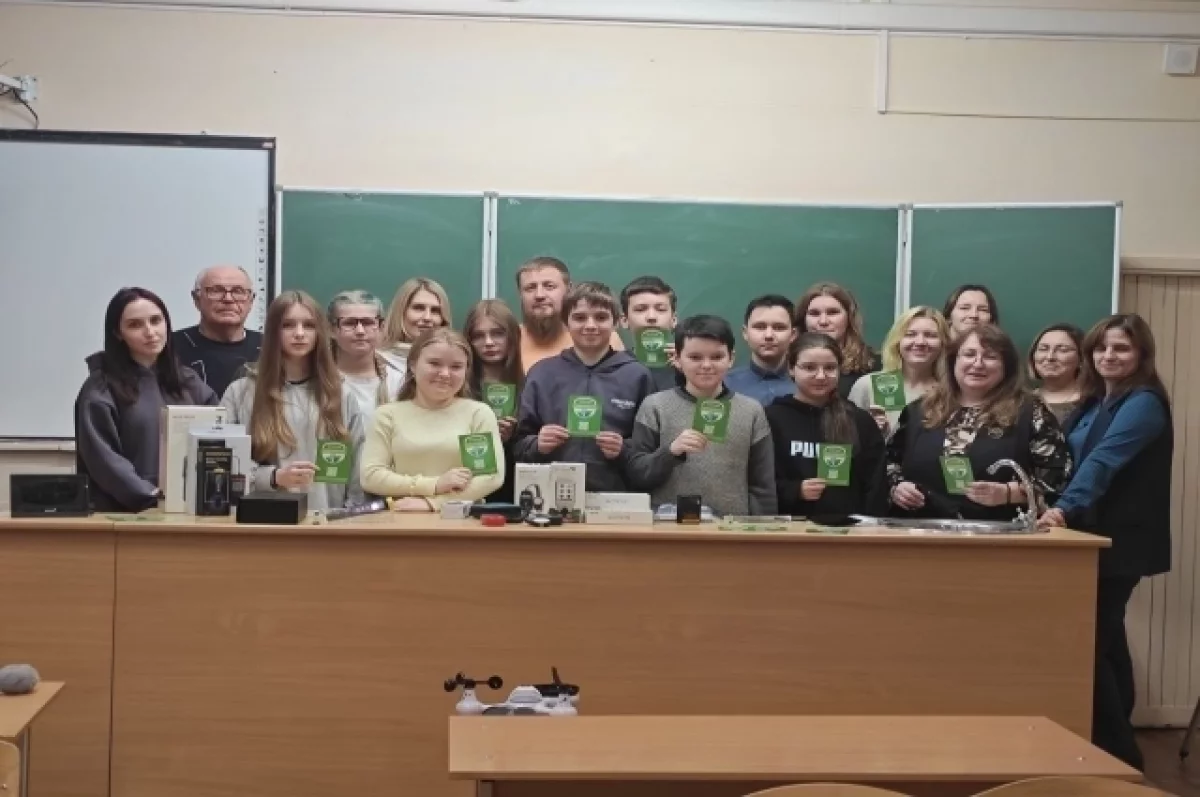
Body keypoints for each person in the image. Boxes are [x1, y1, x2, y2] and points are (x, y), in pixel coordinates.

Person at [1039, 314, 1172, 771]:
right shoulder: (1097, 401)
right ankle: (1122, 752)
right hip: (1087, 538)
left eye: (1121, 348)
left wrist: (1062, 509)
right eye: (1101, 348)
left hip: (1119, 542)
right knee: (1108, 641)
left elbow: (1102, 461)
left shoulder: (1143, 402)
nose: (1108, 356)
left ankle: (1118, 756)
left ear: (1141, 354)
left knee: (1086, 645)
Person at [887, 324, 1070, 521]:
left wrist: (1009, 493)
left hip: (999, 531)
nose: (978, 363)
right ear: (953, 361)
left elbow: (1058, 479)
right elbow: (888, 462)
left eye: (990, 357)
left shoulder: (1031, 412)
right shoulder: (920, 409)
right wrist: (897, 487)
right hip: (918, 529)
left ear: (1006, 366)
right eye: (969, 354)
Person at [221, 291, 366, 512]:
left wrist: (351, 516)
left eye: (309, 325)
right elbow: (223, 460)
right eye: (288, 325)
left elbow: (357, 467)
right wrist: (272, 477)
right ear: (273, 332)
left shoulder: (340, 394)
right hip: (261, 519)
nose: (299, 334)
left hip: (326, 520)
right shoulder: (240, 392)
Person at [76, 287, 218, 511]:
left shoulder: (189, 382)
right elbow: (103, 458)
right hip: (125, 514)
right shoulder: (100, 389)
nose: (150, 332)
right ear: (118, 333)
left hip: (189, 510)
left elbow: (218, 435)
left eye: (156, 321)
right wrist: (151, 496)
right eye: (135, 325)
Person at [626, 315, 776, 516]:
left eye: (717, 357)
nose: (706, 365)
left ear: (731, 358)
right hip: (668, 526)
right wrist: (670, 452)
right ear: (677, 359)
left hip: (731, 528)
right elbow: (636, 474)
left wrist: (763, 528)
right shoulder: (654, 406)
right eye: (695, 357)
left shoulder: (751, 411)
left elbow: (763, 487)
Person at [513, 281, 655, 491]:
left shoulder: (637, 375)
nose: (590, 325)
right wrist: (537, 444)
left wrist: (623, 450)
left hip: (616, 496)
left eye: (601, 317)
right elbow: (516, 444)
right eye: (579, 318)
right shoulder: (541, 374)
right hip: (550, 494)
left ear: (616, 322)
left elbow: (650, 449)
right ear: (566, 322)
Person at [360, 327, 504, 510]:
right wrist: (434, 484)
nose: (445, 374)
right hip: (401, 518)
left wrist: (434, 503)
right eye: (434, 363)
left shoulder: (478, 414)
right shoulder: (386, 415)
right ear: (413, 365)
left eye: (456, 367)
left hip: (463, 519)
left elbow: (491, 477)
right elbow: (371, 476)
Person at [766, 334, 886, 519]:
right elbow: (758, 481)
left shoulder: (859, 420)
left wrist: (869, 526)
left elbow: (875, 485)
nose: (821, 376)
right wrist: (795, 491)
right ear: (791, 368)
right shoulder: (772, 418)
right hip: (790, 528)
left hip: (850, 529)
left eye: (830, 368)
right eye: (809, 367)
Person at [848, 307, 950, 438]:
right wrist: (871, 432)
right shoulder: (868, 385)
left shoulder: (950, 393)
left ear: (943, 343)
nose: (920, 342)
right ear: (897, 341)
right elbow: (847, 439)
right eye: (910, 334)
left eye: (930, 335)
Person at [515, 256, 623, 371]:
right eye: (530, 288)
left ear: (569, 289)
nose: (539, 295)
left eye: (549, 286)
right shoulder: (509, 340)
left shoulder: (603, 336)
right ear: (520, 294)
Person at [463, 299, 524, 503]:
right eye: (478, 336)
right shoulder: (458, 387)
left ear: (513, 336)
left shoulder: (530, 385)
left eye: (498, 333)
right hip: (468, 489)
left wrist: (512, 436)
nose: (488, 342)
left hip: (515, 491)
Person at [173, 265, 262, 396]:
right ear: (196, 299)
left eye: (238, 291)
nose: (228, 299)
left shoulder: (271, 348)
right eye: (216, 291)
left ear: (251, 300)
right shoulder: (169, 348)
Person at [327, 290, 405, 426]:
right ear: (331, 329)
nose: (360, 331)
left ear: (381, 327)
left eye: (368, 323)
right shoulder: (319, 381)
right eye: (349, 323)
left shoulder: (399, 382)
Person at [795, 282, 881, 398]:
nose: (823, 321)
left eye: (832, 312)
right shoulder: (790, 364)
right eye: (814, 313)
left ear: (849, 317)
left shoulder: (877, 366)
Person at [725, 294, 798, 407]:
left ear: (793, 335)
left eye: (779, 327)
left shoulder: (810, 383)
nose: (769, 335)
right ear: (745, 333)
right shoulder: (723, 385)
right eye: (760, 327)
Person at [620, 275, 683, 393]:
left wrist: (690, 372)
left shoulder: (691, 368)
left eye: (661, 309)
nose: (651, 317)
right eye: (640, 309)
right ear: (624, 321)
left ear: (674, 320)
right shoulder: (613, 368)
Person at [378, 277, 451, 372]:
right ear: (400, 312)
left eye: (435, 310)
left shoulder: (455, 362)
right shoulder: (375, 362)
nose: (427, 317)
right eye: (419, 308)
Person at [1029, 323, 1085, 424]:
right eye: (1043, 349)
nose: (1050, 357)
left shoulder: (1094, 402)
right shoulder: (1021, 403)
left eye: (1063, 350)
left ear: (1081, 358)